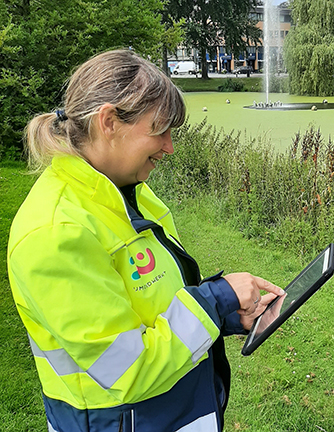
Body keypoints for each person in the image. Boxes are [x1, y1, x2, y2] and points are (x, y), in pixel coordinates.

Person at [7, 49, 284, 432]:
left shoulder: (128, 190)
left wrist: (224, 316)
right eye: (159, 130)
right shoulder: (56, 233)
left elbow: (155, 307)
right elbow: (129, 369)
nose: (169, 147)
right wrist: (216, 298)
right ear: (109, 122)